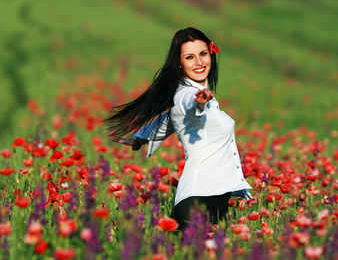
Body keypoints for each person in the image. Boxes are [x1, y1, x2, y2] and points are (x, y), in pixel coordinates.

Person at [104, 27, 251, 230]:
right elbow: (188, 108)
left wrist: (140, 137)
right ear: (180, 64)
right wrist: (198, 104)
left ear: (211, 54)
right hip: (199, 200)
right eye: (190, 57)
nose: (199, 62)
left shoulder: (199, 96)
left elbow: (169, 119)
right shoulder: (187, 95)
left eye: (203, 54)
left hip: (213, 198)